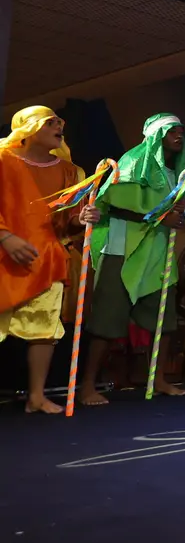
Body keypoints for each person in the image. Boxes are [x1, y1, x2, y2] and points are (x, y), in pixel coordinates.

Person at [79, 113, 185, 404]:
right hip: (123, 250)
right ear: (156, 136)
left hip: (158, 254)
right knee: (106, 321)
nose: (179, 135)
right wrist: (162, 218)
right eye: (171, 131)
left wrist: (178, 218)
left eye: (181, 131)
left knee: (164, 320)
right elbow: (115, 206)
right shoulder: (133, 161)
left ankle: (159, 379)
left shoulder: (178, 174)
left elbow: (180, 219)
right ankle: (88, 385)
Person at [0, 108, 90, 414]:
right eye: (49, 122)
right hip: (4, 256)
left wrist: (83, 219)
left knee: (44, 330)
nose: (58, 127)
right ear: (28, 129)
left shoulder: (70, 172)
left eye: (59, 123)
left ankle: (36, 396)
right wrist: (5, 236)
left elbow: (69, 221)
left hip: (46, 259)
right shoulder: (3, 160)